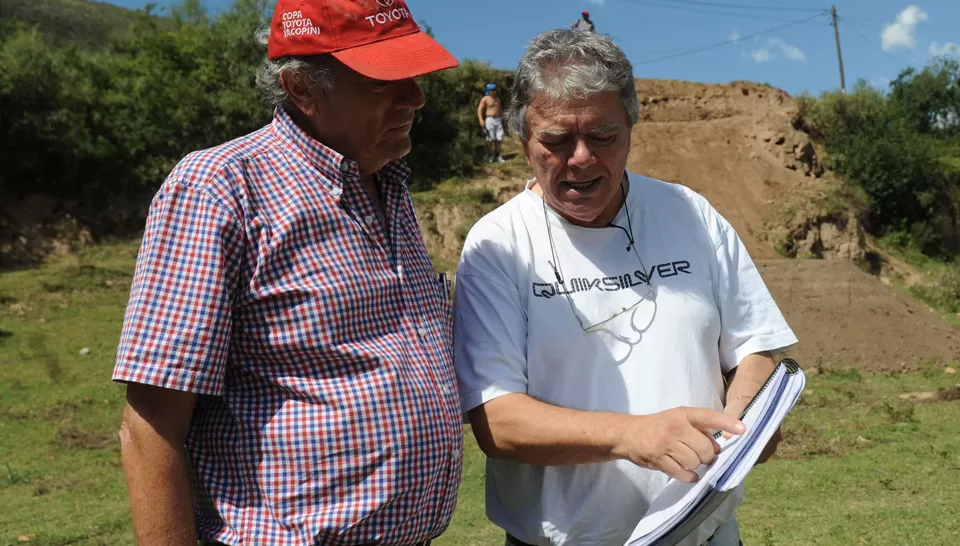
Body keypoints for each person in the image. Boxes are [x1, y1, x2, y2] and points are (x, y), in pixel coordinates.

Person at [113, 1, 465, 544]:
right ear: (302, 88)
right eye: (382, 81)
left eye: (413, 74)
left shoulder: (388, 184)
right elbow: (151, 428)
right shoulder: (218, 189)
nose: (415, 97)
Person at [453, 28, 798, 546]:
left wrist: (744, 427)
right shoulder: (498, 244)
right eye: (556, 141)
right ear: (524, 138)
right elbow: (499, 422)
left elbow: (754, 346)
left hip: (707, 535)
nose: (582, 157)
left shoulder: (690, 214)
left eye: (603, 135)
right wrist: (633, 436)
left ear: (632, 128)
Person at [479, 82, 505, 163]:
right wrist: (481, 120)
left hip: (498, 120)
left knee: (499, 138)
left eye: (495, 89)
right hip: (489, 120)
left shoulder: (497, 99)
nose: (495, 91)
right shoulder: (485, 99)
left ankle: (497, 155)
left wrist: (503, 118)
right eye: (493, 90)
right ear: (489, 91)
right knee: (490, 139)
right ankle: (490, 155)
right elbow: (480, 110)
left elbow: (500, 110)